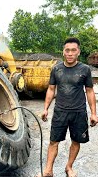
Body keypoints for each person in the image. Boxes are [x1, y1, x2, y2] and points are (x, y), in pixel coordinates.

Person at [38, 37, 98, 177]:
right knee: (53, 141)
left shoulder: (85, 69)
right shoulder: (56, 69)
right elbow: (51, 89)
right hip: (60, 111)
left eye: (73, 50)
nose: (70, 53)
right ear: (63, 52)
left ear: (78, 52)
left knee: (76, 141)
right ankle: (48, 171)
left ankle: (69, 167)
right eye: (67, 50)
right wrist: (46, 108)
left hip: (79, 112)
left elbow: (89, 91)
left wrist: (94, 113)